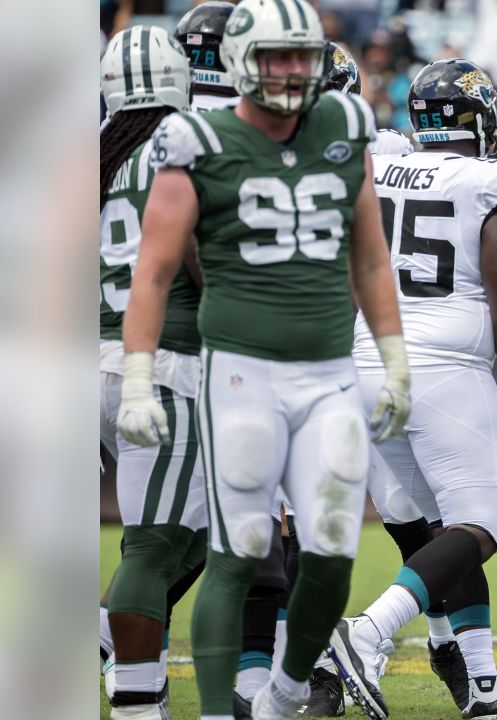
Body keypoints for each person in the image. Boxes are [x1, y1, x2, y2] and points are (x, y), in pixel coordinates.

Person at [115, 2, 411, 719]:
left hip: (328, 370)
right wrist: (137, 377)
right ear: (243, 58)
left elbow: (370, 256)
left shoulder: (345, 126)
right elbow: (153, 273)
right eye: (275, 56)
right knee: (239, 549)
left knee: (333, 552)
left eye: (301, 56)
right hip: (240, 370)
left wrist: (395, 359)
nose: (289, 70)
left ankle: (283, 694)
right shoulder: (195, 138)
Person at [325, 58, 497, 720]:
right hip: (445, 370)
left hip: (364, 365)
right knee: (479, 525)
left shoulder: (380, 159)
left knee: (437, 536)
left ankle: (482, 682)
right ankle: (369, 632)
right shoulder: (491, 180)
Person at [99, 26, 206, 720]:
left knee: (197, 530)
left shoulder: (84, 151)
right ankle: (137, 700)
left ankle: (110, 645)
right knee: (157, 540)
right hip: (162, 364)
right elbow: (201, 258)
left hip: (85, 358)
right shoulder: (183, 143)